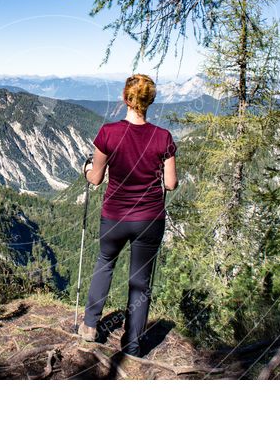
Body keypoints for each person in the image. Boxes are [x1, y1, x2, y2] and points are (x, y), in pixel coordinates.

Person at [79, 74, 177, 357]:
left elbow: (95, 179)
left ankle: (89, 327)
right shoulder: (163, 138)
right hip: (149, 218)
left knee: (105, 262)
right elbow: (170, 184)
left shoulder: (108, 133)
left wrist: (86, 169)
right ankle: (133, 346)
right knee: (140, 280)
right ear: (150, 102)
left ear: (125, 98)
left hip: (115, 216)